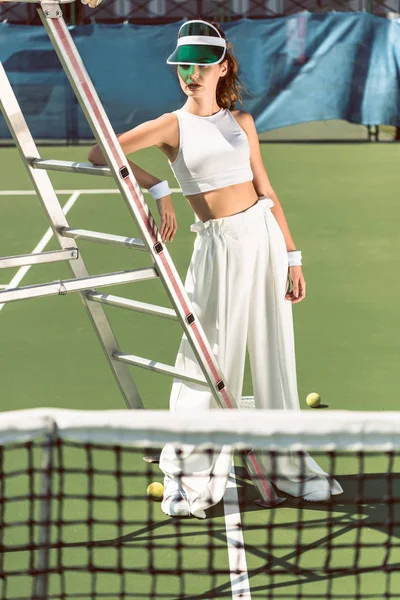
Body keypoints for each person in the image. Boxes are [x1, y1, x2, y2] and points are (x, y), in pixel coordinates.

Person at [89, 19, 343, 519]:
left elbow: (266, 192)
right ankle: (189, 470)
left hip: (263, 239)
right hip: (218, 248)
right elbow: (102, 151)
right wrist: (159, 188)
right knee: (206, 357)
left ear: (222, 67)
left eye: (202, 65)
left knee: (274, 352)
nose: (191, 74)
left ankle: (286, 462)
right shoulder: (169, 125)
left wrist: (293, 256)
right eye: (184, 66)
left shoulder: (242, 123)